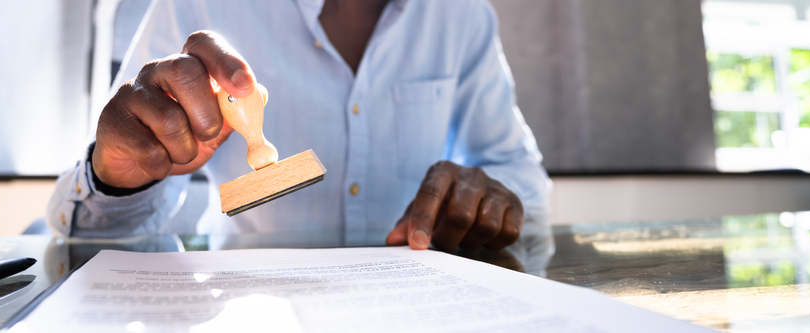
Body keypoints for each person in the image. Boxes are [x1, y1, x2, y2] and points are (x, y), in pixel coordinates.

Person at [47, 0, 551, 252]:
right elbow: (85, 235)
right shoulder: (196, 3)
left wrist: (493, 192)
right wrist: (115, 181)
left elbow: (521, 174)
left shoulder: (460, 13)